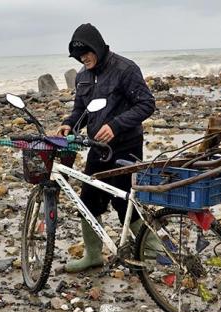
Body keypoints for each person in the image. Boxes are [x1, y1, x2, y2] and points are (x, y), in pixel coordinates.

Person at [56, 23, 156, 273]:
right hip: (97, 149)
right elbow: (80, 111)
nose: (84, 58)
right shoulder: (83, 76)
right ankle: (93, 255)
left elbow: (146, 104)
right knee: (88, 201)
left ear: (98, 47)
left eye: (87, 52)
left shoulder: (125, 69)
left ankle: (154, 252)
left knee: (125, 202)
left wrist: (116, 125)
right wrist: (69, 125)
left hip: (126, 146)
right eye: (79, 55)